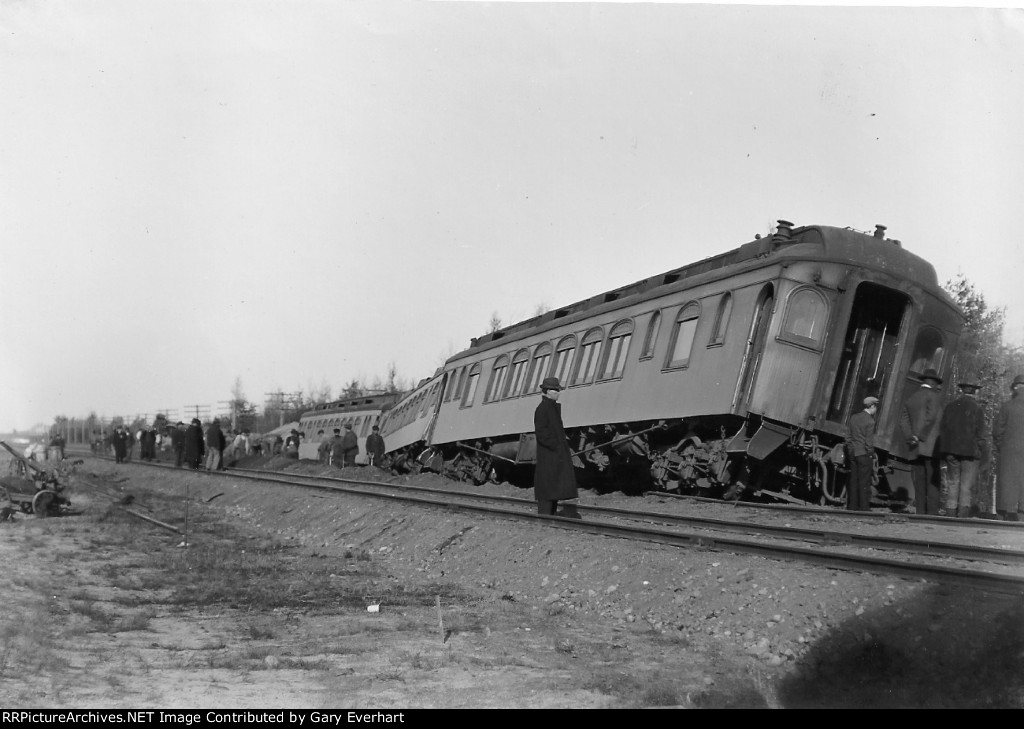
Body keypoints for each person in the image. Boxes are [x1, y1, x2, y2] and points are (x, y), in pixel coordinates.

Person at [938, 381, 987, 518]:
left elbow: (942, 430)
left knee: (953, 482)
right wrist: (980, 451)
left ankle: (950, 513)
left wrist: (945, 451)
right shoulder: (977, 409)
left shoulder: (950, 407)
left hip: (951, 452)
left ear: (962, 391)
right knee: (966, 486)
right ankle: (963, 517)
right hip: (970, 453)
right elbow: (981, 434)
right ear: (975, 392)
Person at [899, 368, 944, 514]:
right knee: (932, 481)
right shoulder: (934, 396)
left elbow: (903, 421)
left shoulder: (912, 398)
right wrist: (921, 436)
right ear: (934, 383)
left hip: (915, 446)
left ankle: (920, 512)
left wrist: (911, 437)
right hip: (930, 446)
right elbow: (931, 418)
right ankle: (931, 514)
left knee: (919, 480)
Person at [533, 376, 579, 516]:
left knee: (552, 487)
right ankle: (545, 516)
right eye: (555, 390)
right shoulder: (543, 409)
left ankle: (549, 516)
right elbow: (541, 433)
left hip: (553, 454)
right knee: (548, 487)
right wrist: (556, 446)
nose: (558, 393)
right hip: (549, 454)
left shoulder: (550, 407)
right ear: (547, 391)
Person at [993, 374, 1024, 521]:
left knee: (1006, 485)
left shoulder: (1006, 406)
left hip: (1008, 453)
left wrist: (1002, 447)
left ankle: (1004, 516)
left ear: (1015, 388)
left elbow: (997, 432)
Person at [845, 396, 878, 512]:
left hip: (853, 453)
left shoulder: (854, 417)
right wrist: (871, 453)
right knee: (864, 482)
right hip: (864, 454)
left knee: (853, 480)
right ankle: (864, 507)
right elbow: (869, 442)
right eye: (875, 408)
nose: (875, 410)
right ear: (872, 406)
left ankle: (852, 506)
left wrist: (850, 450)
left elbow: (848, 437)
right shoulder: (870, 421)